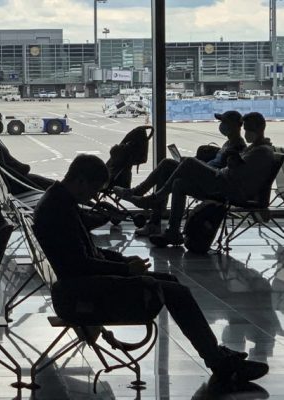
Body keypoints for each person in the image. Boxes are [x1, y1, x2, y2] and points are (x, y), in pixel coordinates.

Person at [33, 154, 268, 383]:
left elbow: (83, 255)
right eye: (94, 190)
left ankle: (215, 355)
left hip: (81, 285)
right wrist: (126, 270)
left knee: (171, 282)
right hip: (83, 293)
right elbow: (79, 264)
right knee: (177, 293)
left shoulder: (59, 202)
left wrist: (123, 262)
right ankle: (218, 362)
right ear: (80, 181)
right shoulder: (59, 210)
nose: (95, 197)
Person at [124, 112, 275, 247]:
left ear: (259, 128)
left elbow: (237, 174)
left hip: (228, 187)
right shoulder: (255, 148)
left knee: (187, 162)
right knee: (179, 183)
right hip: (224, 181)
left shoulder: (261, 152)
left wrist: (229, 163)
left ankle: (154, 197)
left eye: (249, 129)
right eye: (246, 128)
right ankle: (172, 232)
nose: (246, 132)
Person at [113, 110, 247, 236]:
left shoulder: (238, 147)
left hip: (213, 185)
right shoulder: (228, 143)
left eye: (224, 122)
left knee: (175, 165)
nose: (221, 125)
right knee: (167, 167)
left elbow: (224, 174)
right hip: (206, 177)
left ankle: (146, 198)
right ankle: (148, 208)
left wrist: (196, 166)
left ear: (235, 126)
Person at [0, 111, 54, 193]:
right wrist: (24, 169)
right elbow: (7, 172)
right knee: (54, 186)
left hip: (14, 181)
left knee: (48, 182)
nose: (1, 124)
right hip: (17, 183)